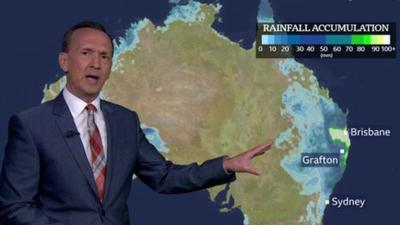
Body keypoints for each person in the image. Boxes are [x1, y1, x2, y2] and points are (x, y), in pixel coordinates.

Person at [0, 21, 273, 225]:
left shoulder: (125, 121)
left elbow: (163, 177)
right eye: (86, 53)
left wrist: (225, 166)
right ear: (64, 61)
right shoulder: (31, 125)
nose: (95, 63)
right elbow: (15, 207)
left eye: (104, 56)